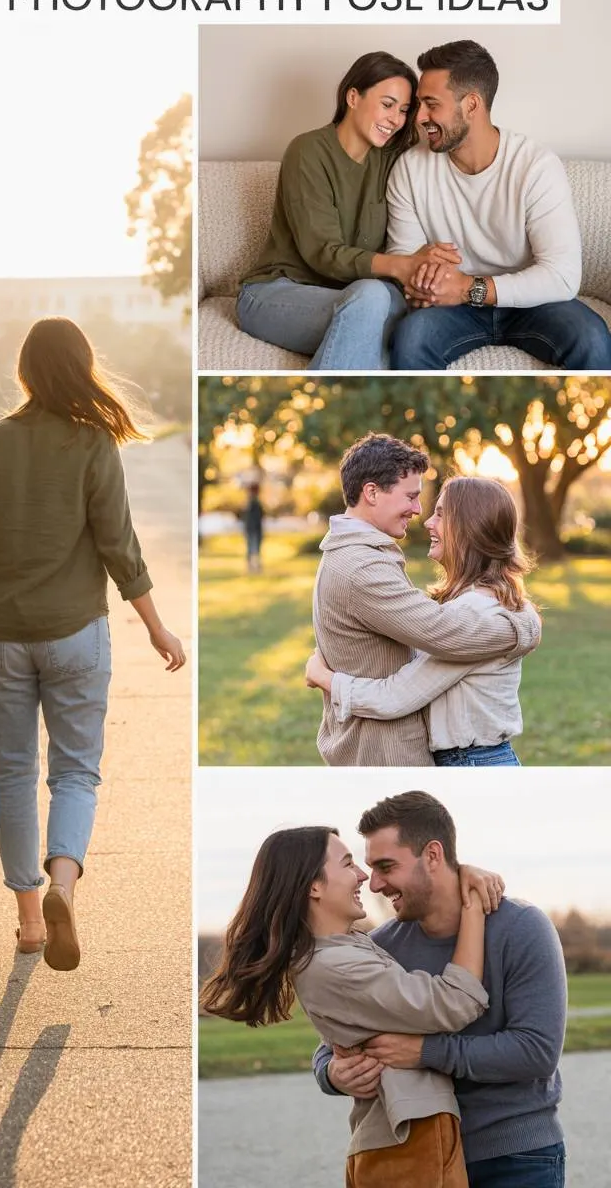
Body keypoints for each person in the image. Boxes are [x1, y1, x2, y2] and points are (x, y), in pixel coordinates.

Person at [0, 317, 186, 970]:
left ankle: (27, 925)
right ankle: (63, 886)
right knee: (75, 771)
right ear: (79, 369)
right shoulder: (93, 444)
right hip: (75, 634)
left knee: (13, 771)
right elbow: (119, 547)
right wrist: (156, 625)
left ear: (24, 373)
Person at [201, 824, 494, 1186]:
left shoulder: (346, 948)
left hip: (408, 1134)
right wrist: (475, 906)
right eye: (348, 864)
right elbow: (455, 1001)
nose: (362, 877)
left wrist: (461, 873)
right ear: (314, 886)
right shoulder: (334, 966)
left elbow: (343, 1039)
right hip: (408, 1138)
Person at [313, 792, 567, 1188]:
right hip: (418, 1159)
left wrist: (424, 1053)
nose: (375, 884)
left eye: (386, 866)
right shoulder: (381, 946)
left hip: (515, 1158)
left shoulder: (522, 927)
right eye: (368, 868)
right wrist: (331, 1074)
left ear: (433, 855)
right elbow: (331, 1044)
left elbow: (536, 1052)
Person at [311, 433, 540, 766]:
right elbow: (441, 633)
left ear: (468, 529)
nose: (421, 515)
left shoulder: (475, 606)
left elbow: (434, 640)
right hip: (384, 750)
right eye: (412, 497)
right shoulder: (361, 565)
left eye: (440, 513)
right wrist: (524, 625)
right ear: (372, 492)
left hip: (469, 759)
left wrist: (325, 678)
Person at [386, 39, 611, 370]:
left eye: (432, 104)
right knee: (410, 338)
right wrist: (425, 275)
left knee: (591, 337)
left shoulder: (535, 166)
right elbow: (402, 259)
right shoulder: (410, 168)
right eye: (419, 104)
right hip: (449, 307)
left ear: (472, 104)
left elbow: (562, 276)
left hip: (533, 303)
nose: (419, 117)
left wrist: (468, 287)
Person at [236, 51, 464, 370]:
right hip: (275, 293)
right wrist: (401, 266)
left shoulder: (391, 160)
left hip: (351, 297)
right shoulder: (308, 151)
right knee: (372, 300)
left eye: (403, 110)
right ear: (353, 97)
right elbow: (323, 252)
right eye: (387, 105)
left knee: (415, 318)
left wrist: (426, 270)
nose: (395, 120)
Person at [243, 483, 264, 573]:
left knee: (254, 548)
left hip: (254, 528)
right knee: (252, 548)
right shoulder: (252, 502)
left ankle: (254, 567)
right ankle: (252, 567)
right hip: (253, 529)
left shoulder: (252, 502)